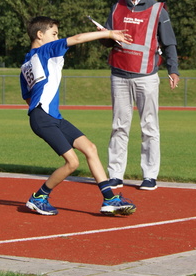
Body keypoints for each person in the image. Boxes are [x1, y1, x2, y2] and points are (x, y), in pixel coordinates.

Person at [20, 16, 136, 216]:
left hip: (49, 116)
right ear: (40, 35)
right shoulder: (45, 50)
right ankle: (39, 197)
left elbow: (28, 98)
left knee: (90, 148)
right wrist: (108, 33)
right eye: (54, 34)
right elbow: (79, 38)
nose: (58, 37)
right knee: (72, 163)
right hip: (44, 117)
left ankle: (110, 199)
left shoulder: (26, 63)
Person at [102, 0, 180, 191]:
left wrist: (173, 69)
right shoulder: (116, 7)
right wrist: (105, 36)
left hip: (146, 76)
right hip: (119, 74)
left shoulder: (158, 9)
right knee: (119, 126)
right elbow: (108, 37)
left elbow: (169, 42)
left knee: (149, 127)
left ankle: (150, 176)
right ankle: (115, 174)